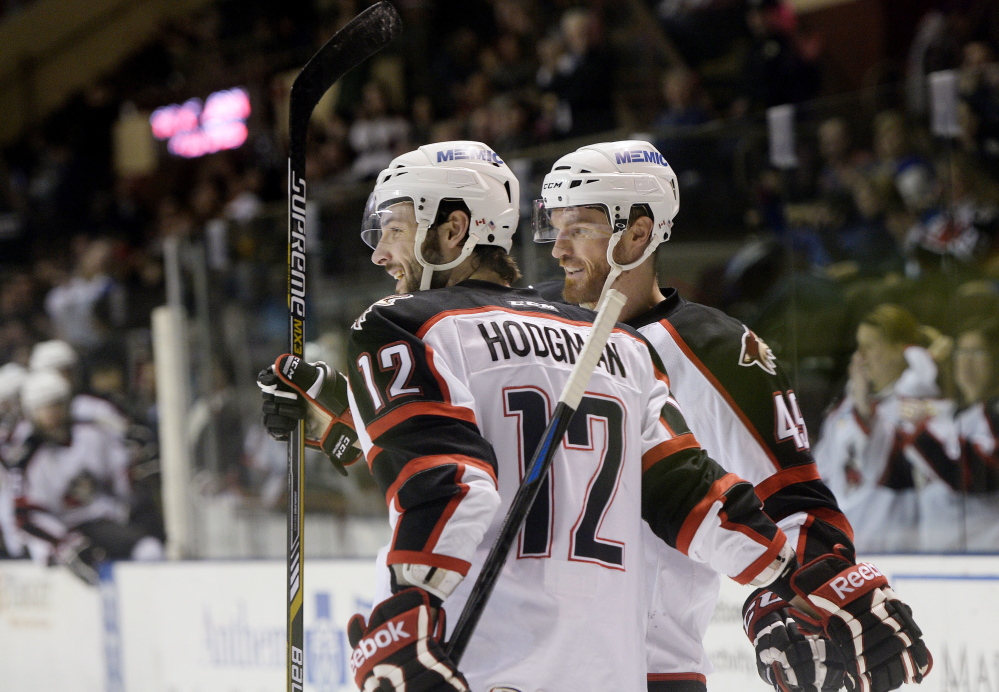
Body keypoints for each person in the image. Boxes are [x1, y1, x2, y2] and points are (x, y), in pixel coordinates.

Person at [260, 141, 818, 692]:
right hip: (613, 673)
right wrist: (797, 581)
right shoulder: (617, 342)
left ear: (453, 231)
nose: (381, 253)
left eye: (396, 229)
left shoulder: (405, 322)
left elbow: (453, 484)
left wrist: (413, 604)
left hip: (476, 664)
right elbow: (694, 496)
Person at [531, 140, 930, 692]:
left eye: (578, 228)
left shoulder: (713, 349)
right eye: (554, 226)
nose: (559, 249)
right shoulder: (526, 327)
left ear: (639, 233)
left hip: (648, 670)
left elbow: (796, 504)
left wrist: (793, 594)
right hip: (517, 664)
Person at [1, 369, 163, 584]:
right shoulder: (26, 457)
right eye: (43, 408)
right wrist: (65, 545)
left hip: (98, 520)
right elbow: (25, 517)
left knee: (149, 550)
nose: (51, 415)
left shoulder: (91, 433)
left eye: (56, 404)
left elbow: (118, 479)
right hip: (56, 531)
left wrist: (135, 473)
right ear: (31, 413)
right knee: (76, 572)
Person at [813, 304, 940, 555]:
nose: (859, 357)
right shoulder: (843, 409)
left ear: (899, 351)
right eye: (857, 347)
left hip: (896, 544)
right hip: (845, 543)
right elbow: (821, 473)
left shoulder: (921, 407)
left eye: (869, 346)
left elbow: (881, 470)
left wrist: (863, 408)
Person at [905, 320, 999, 550]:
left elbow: (976, 478)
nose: (965, 361)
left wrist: (923, 432)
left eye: (977, 352)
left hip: (986, 556)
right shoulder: (950, 414)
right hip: (944, 555)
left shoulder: (995, 414)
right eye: (961, 351)